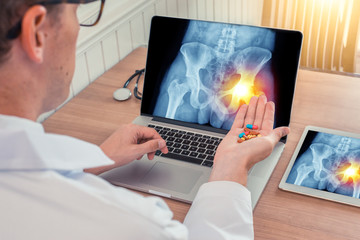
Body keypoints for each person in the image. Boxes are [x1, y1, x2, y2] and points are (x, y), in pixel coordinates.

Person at [0, 0, 290, 239]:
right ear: (37, 33)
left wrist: (94, 160)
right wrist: (232, 167)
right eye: (76, 13)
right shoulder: (137, 226)